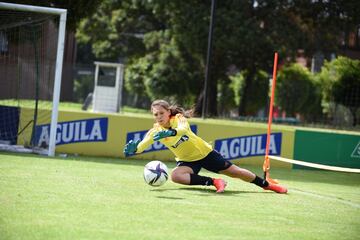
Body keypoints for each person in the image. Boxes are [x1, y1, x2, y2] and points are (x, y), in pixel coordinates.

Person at [124, 99, 287, 194]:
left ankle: (268, 185)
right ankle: (214, 182)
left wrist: (170, 133)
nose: (159, 117)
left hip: (205, 154)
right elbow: (143, 145)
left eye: (161, 113)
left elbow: (183, 130)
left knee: (236, 172)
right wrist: (135, 150)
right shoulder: (155, 131)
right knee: (176, 176)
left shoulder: (178, 118)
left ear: (168, 112)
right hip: (188, 161)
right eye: (155, 114)